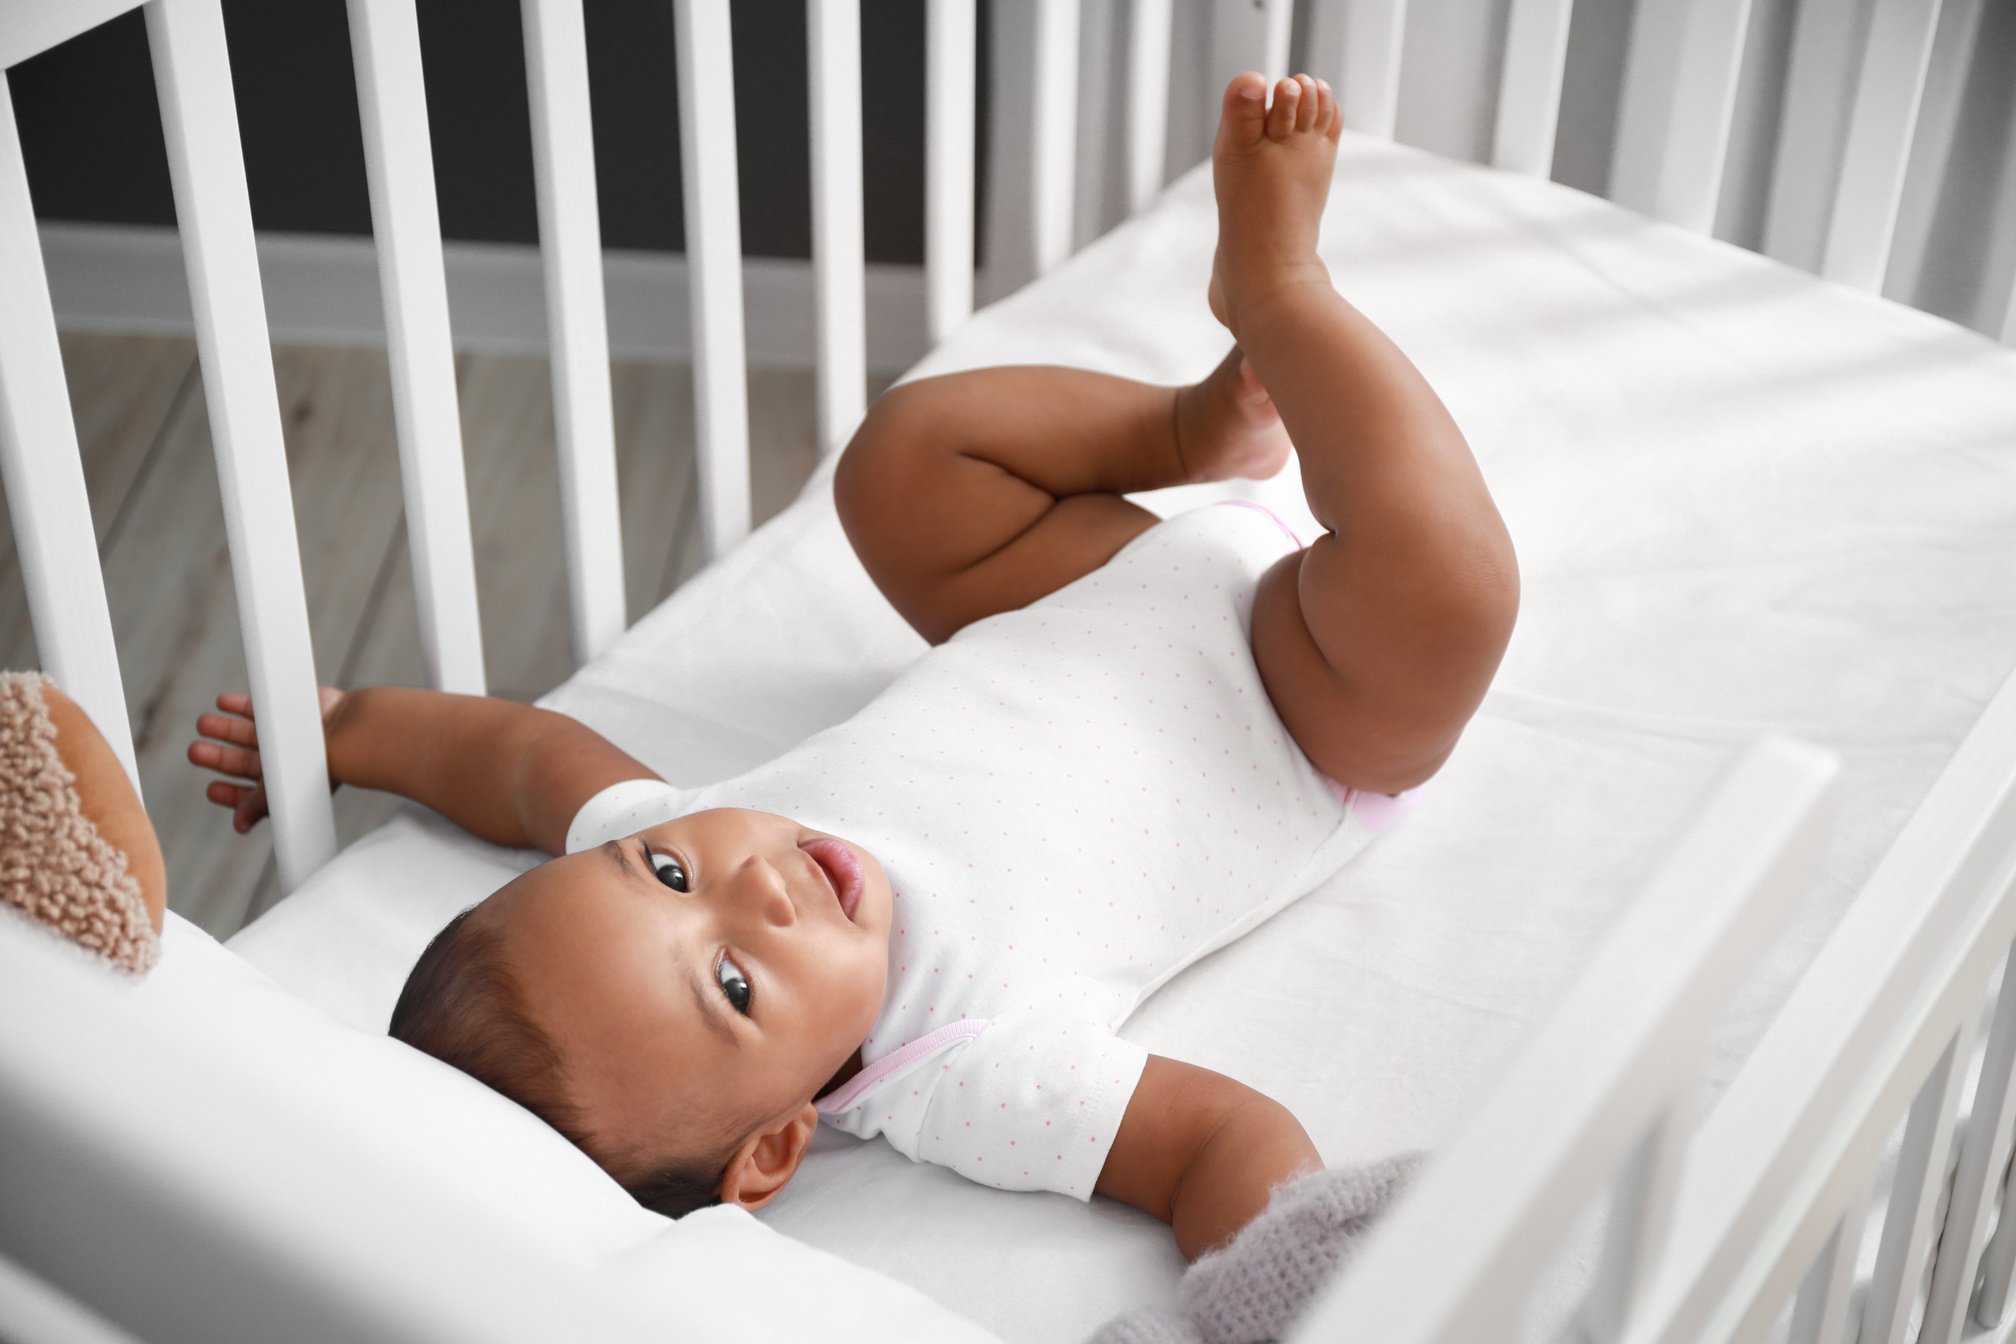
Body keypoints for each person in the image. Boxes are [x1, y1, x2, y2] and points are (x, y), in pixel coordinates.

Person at [188, 71, 1517, 1315]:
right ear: (774, 1149)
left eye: (662, 874)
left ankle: (1194, 430)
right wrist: (1269, 1302)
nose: (749, 890)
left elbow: (531, 764)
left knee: (899, 463)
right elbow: (1220, 1140)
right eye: (736, 986)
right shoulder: (968, 1066)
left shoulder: (706, 822)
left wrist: (350, 729)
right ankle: (1282, 290)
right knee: (1449, 591)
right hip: (1300, 703)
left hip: (1089, 591)